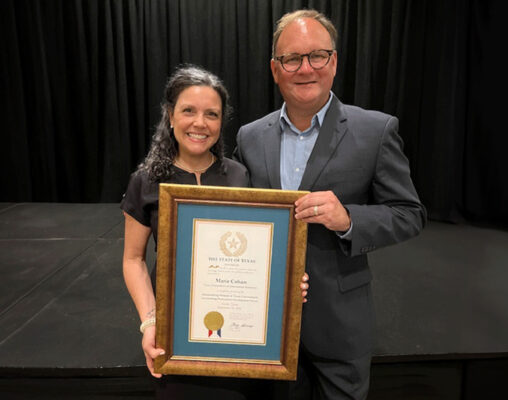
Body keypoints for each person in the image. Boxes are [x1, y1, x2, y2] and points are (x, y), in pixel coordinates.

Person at [234, 10, 426, 400]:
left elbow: (410, 214)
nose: (305, 68)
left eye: (317, 56)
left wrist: (348, 219)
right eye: (291, 59)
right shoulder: (250, 137)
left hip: (340, 326)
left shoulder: (376, 130)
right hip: (263, 323)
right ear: (275, 69)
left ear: (334, 62)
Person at [121, 65, 309, 399]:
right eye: (188, 111)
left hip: (242, 332)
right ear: (170, 115)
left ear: (222, 122)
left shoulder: (239, 175)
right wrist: (149, 322)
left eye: (212, 114)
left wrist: (288, 279)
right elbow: (133, 260)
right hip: (175, 333)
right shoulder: (146, 180)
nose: (200, 123)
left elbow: (259, 251)